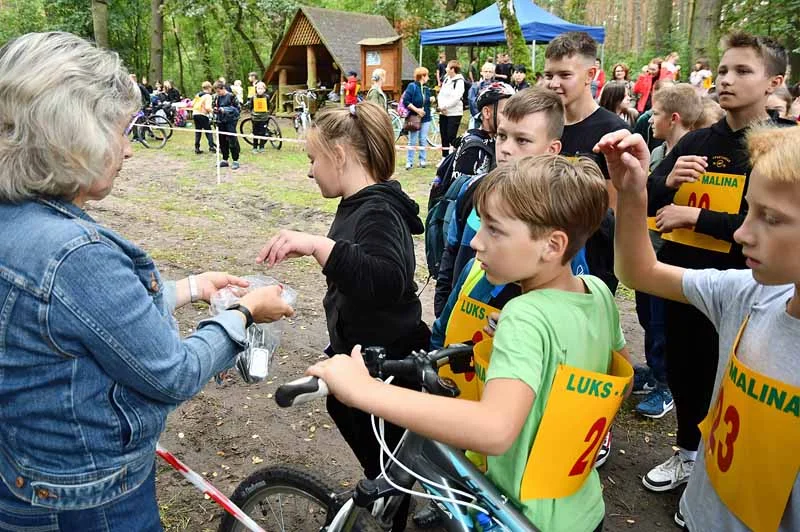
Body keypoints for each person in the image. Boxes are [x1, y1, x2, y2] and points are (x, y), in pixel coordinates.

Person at [0, 32, 295, 531]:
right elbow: (171, 373)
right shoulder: (75, 255)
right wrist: (242, 316)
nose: (129, 151)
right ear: (74, 137)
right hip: (90, 501)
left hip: (27, 476)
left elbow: (87, 321)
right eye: (120, 131)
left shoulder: (18, 224)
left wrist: (195, 286)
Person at [309, 154, 629, 532]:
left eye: (494, 230)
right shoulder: (596, 294)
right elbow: (615, 385)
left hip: (523, 517)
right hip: (582, 508)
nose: (475, 241)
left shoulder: (524, 315)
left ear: (552, 245)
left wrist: (363, 391)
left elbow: (493, 429)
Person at [597, 122, 800, 532]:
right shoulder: (749, 293)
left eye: (770, 218)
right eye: (748, 210)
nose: (742, 231)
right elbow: (640, 271)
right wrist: (633, 193)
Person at [257, 102, 430, 532]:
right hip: (365, 358)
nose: (310, 171)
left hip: (389, 368)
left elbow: (388, 279)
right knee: (388, 472)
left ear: (339, 155)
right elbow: (358, 279)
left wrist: (320, 246)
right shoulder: (359, 204)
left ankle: (392, 510)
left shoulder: (377, 210)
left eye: (313, 159)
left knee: (392, 475)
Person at [642, 32, 793, 503]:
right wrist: (666, 181)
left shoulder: (786, 148)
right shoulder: (697, 140)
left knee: (734, 380)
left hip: (754, 289)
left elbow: (775, 226)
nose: (726, 80)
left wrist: (698, 216)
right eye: (722, 70)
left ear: (775, 82)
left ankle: (723, 475)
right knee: (685, 370)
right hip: (685, 279)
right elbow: (646, 201)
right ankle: (688, 452)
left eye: (742, 71)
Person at [631, 84, 704, 419]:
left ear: (674, 118)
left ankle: (666, 384)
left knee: (663, 322)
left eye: (656, 114)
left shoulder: (697, 161)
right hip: (649, 248)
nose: (650, 120)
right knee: (647, 316)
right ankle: (652, 368)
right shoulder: (659, 154)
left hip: (672, 256)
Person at [544, 31, 631, 294]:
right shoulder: (544, 124)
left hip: (592, 262)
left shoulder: (612, 130)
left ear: (590, 75)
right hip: (543, 254)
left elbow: (612, 210)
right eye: (549, 75)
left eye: (565, 75)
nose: (554, 83)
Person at [403, 67, 434, 170]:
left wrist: (431, 99)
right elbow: (406, 101)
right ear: (422, 76)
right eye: (427, 76)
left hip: (426, 118)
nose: (428, 78)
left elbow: (426, 101)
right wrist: (417, 110)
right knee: (412, 140)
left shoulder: (426, 89)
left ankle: (422, 160)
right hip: (414, 118)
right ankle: (409, 161)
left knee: (423, 139)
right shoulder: (412, 87)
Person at [437, 59, 466, 158]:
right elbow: (441, 94)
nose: (446, 69)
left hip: (454, 113)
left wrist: (446, 106)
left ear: (453, 69)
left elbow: (456, 98)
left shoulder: (459, 81)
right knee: (444, 136)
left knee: (450, 136)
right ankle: (444, 157)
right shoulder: (446, 79)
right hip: (443, 112)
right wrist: (441, 107)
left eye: (448, 67)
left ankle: (456, 154)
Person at [212, 80, 241, 170]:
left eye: (219, 91)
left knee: (232, 141)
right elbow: (214, 107)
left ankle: (235, 160)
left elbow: (237, 110)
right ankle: (225, 159)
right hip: (221, 122)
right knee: (222, 141)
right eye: (216, 91)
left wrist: (225, 110)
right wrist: (215, 111)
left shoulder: (232, 96)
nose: (218, 93)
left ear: (223, 88)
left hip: (231, 122)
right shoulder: (216, 97)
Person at [467, 62, 496, 128]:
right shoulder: (476, 86)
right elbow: (471, 100)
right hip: (477, 116)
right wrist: (478, 115)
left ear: (493, 74)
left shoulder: (496, 86)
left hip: (491, 116)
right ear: (481, 73)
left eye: (490, 72)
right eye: (485, 71)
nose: (487, 73)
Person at [192, 81, 216, 154]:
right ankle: (211, 147)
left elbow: (193, 103)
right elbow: (208, 107)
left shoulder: (198, 95)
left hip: (195, 113)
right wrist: (214, 111)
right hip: (202, 114)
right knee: (208, 131)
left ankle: (197, 148)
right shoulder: (208, 96)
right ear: (209, 88)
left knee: (198, 131)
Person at [248, 81, 271, 153]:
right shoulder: (253, 97)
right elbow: (251, 107)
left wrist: (267, 113)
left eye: (261, 88)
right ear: (256, 89)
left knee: (263, 132)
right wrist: (253, 113)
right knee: (255, 132)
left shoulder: (267, 97)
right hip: (255, 118)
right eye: (258, 88)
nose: (260, 90)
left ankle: (262, 147)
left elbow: (269, 106)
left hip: (264, 118)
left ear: (264, 89)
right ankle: (254, 147)